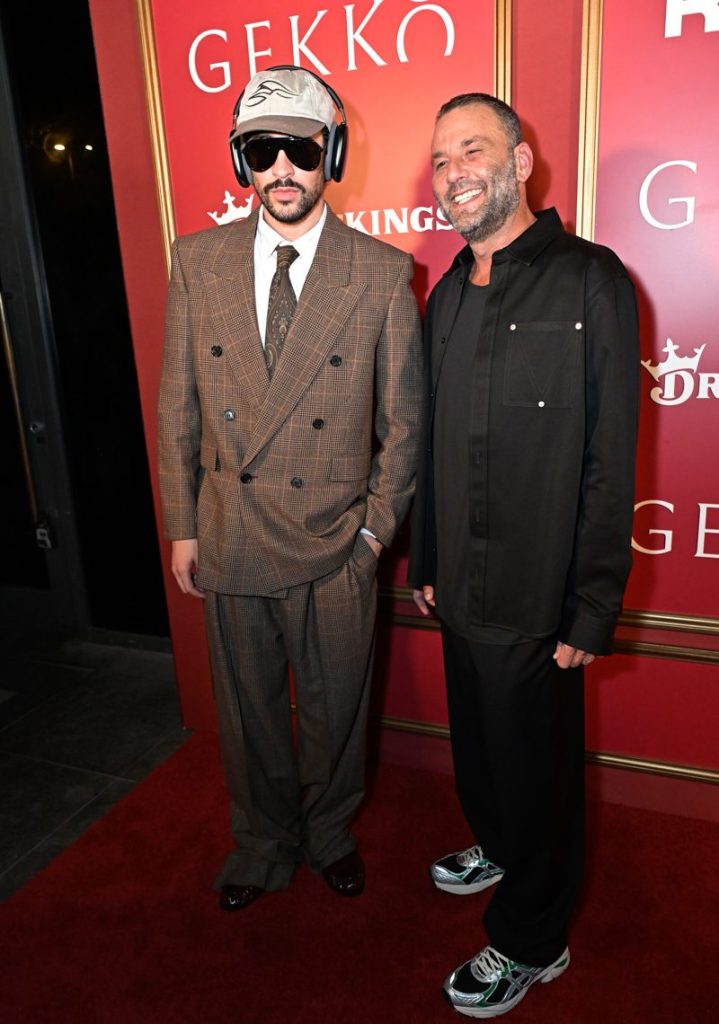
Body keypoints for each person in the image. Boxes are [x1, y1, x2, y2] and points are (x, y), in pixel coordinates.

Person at [158, 66, 422, 911]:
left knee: (337, 705)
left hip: (333, 540)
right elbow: (176, 407)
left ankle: (330, 832)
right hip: (230, 528)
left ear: (330, 155)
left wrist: (373, 536)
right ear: (241, 161)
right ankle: (262, 839)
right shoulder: (195, 262)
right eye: (260, 150)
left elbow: (404, 425)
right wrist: (182, 525)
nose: (281, 169)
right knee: (249, 713)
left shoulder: (381, 274)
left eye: (299, 150)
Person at [408, 93, 639, 1017]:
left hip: (536, 596)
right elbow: (432, 444)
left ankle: (533, 942)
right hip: (455, 586)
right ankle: (495, 843)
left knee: (537, 776)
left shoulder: (591, 279)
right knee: (480, 753)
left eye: (472, 148)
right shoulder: (448, 292)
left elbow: (608, 454)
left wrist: (590, 607)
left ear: (523, 158)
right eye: (439, 158)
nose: (453, 170)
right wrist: (425, 558)